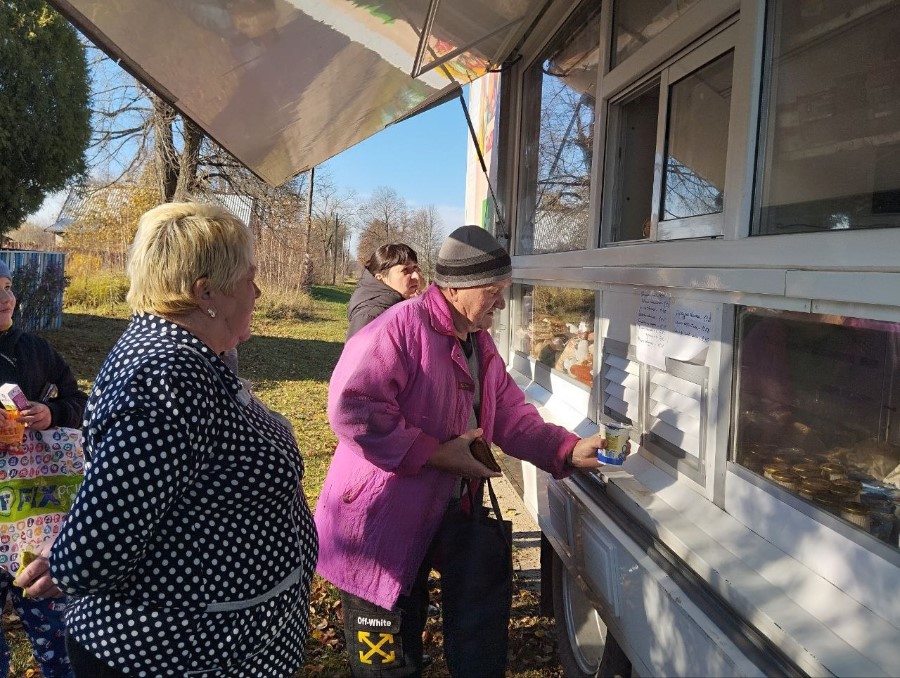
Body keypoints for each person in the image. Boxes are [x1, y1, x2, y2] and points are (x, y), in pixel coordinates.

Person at [316, 225, 620, 677]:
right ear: (456, 289)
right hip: (377, 529)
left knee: (459, 636)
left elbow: (511, 414)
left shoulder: (478, 341)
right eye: (493, 292)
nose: (502, 304)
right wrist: (435, 453)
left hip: (438, 518)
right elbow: (352, 408)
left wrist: (568, 450)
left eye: (505, 291)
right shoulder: (399, 327)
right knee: (387, 663)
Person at [49, 202, 318, 677]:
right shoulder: (166, 376)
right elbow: (90, 555)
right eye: (249, 279)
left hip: (220, 646)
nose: (257, 292)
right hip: (173, 654)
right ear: (205, 291)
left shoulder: (191, 358)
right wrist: (64, 562)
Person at [0, 260, 86, 678]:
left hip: (37, 519)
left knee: (56, 634)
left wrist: (52, 413)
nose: (5, 298)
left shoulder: (35, 350)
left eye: (7, 286)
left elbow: (79, 404)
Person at [347, 243, 422, 339]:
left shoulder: (407, 305)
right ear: (380, 278)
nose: (416, 276)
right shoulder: (369, 317)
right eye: (405, 270)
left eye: (415, 268)